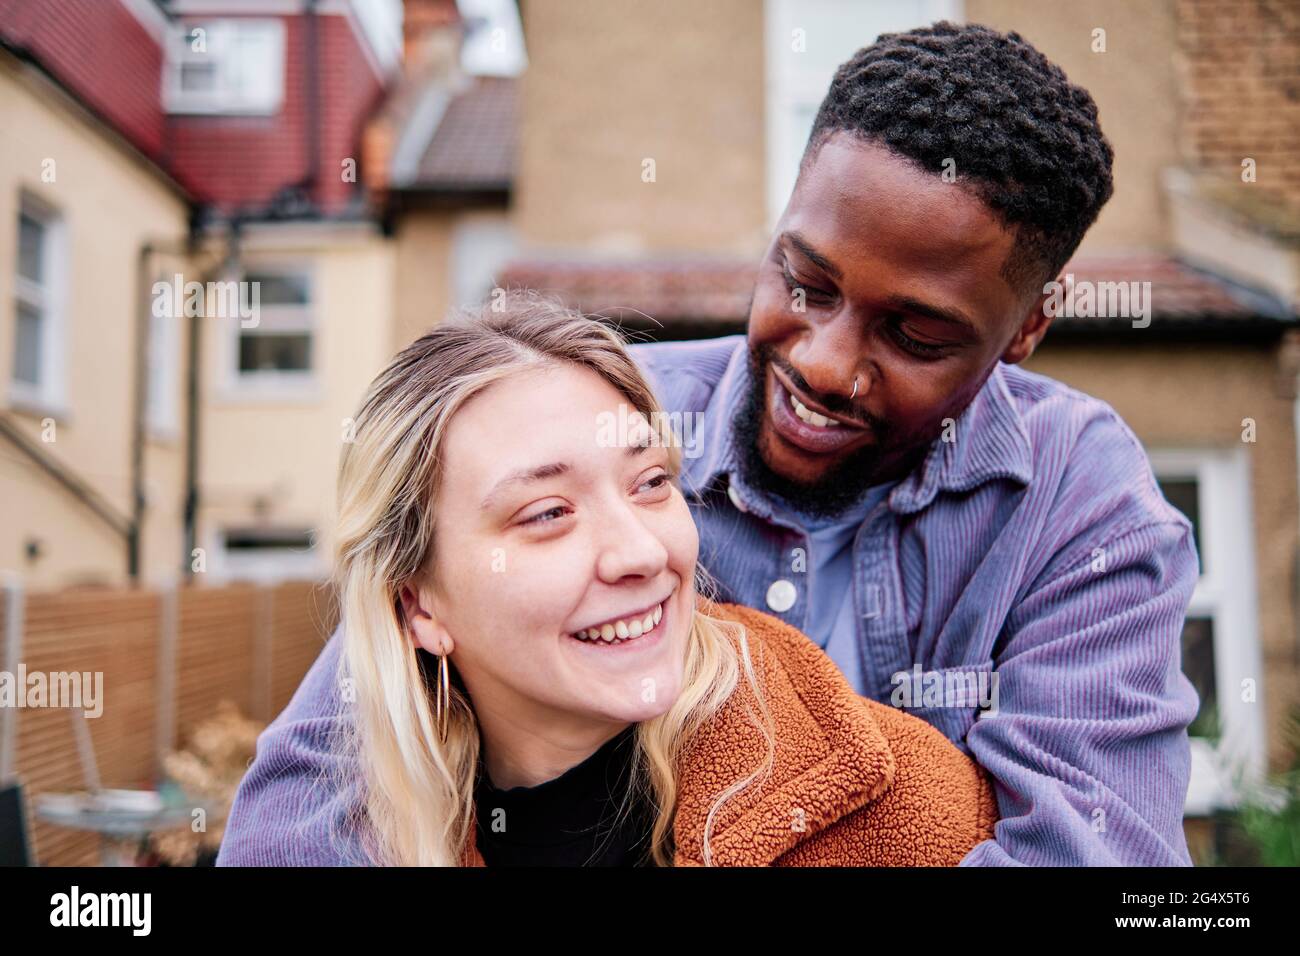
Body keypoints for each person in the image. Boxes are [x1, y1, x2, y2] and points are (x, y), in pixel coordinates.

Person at [225, 20, 1201, 866]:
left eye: (913, 334)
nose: (823, 361)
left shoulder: (1085, 503)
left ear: (1026, 329)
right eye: (804, 280)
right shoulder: (607, 427)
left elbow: (1094, 847)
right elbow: (314, 794)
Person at [217, 294, 997, 866]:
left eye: (651, 482)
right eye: (549, 513)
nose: (640, 553)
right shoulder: (355, 838)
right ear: (417, 605)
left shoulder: (899, 805)